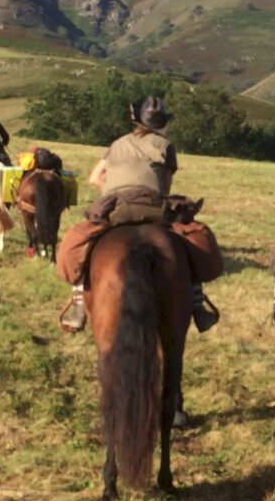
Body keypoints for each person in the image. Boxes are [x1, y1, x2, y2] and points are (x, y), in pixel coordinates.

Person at [58, 96, 219, 333]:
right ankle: (197, 304)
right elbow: (164, 185)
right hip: (154, 206)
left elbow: (94, 178)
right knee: (186, 241)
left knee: (83, 243)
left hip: (114, 206)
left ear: (135, 119)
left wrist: (114, 190)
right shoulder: (166, 146)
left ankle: (79, 304)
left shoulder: (116, 144)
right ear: (162, 123)